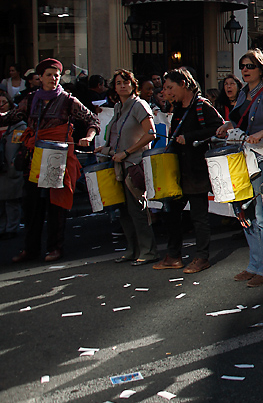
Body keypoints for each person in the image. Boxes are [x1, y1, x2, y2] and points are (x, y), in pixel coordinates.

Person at [2, 59, 99, 262]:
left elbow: (92, 119)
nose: (53, 79)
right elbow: (10, 116)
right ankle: (31, 249)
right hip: (34, 156)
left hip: (56, 157)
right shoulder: (30, 99)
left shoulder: (67, 100)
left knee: (56, 205)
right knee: (31, 205)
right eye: (49, 75)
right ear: (40, 78)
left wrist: (88, 137)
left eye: (56, 75)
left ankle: (56, 248)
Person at [216, 49, 263, 287]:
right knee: (243, 211)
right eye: (243, 66)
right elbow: (240, 120)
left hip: (262, 158)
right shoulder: (243, 94)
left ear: (261, 69)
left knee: (260, 215)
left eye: (250, 65)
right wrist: (229, 123)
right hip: (241, 157)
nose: (246, 70)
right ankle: (254, 264)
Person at [152, 69, 224, 274]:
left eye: (170, 87)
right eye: (165, 88)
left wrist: (191, 136)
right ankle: (173, 255)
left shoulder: (202, 106)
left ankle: (202, 257)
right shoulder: (177, 108)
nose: (166, 92)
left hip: (197, 169)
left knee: (198, 216)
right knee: (173, 214)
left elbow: (218, 128)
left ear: (183, 84)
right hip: (178, 169)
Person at [99, 69, 158, 265]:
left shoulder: (139, 105)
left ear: (133, 85)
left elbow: (151, 133)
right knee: (123, 211)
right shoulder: (118, 107)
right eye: (118, 83)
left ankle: (148, 251)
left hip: (133, 163)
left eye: (126, 82)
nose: (122, 86)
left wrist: (127, 152)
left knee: (137, 210)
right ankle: (133, 249)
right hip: (118, 164)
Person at [0, 92, 26, 240]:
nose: (1, 104)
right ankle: (2, 227)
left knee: (12, 201)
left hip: (11, 166)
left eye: (4, 101)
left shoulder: (18, 123)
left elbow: (22, 144)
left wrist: (16, 161)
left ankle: (11, 228)